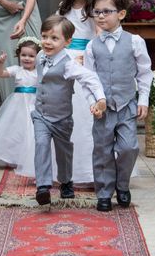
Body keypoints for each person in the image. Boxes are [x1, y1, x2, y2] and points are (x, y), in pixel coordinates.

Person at [85, 0, 153, 212]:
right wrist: (93, 102)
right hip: (103, 108)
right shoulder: (91, 46)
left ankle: (122, 185)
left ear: (121, 14)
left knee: (129, 148)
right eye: (97, 12)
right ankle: (104, 192)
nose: (101, 16)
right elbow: (88, 79)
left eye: (107, 11)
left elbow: (144, 72)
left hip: (126, 105)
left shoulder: (134, 41)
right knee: (102, 150)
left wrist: (143, 99)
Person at [32, 15, 106, 206]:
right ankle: (43, 187)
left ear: (67, 42)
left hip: (62, 118)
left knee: (63, 152)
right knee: (41, 145)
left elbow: (89, 78)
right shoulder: (40, 56)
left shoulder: (69, 64)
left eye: (54, 38)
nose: (48, 42)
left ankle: (66, 181)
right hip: (40, 114)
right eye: (45, 36)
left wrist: (100, 98)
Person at [57, 0, 100, 183]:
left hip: (86, 62)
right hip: (66, 61)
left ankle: (89, 171)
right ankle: (64, 168)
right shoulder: (63, 8)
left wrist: (89, 56)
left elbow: (99, 37)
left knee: (86, 115)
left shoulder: (93, 10)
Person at [0, 37, 41, 176]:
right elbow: (0, 74)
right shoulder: (17, 70)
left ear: (38, 56)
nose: (27, 58)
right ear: (18, 55)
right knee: (16, 129)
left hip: (34, 103)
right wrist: (0, 63)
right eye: (24, 55)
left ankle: (30, 157)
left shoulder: (39, 71)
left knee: (31, 130)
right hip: (17, 104)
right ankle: (13, 157)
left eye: (31, 56)